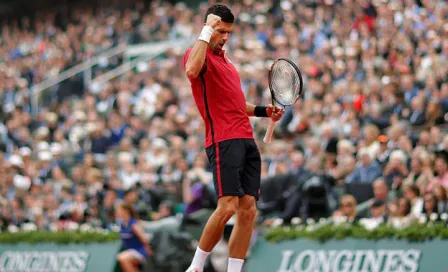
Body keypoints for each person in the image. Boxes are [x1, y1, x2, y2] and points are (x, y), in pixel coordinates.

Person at [183, 4, 284, 272]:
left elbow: (237, 105)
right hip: (222, 141)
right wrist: (206, 30)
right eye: (221, 31)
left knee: (248, 210)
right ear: (209, 27)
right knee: (226, 207)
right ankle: (195, 267)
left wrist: (264, 111)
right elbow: (191, 71)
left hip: (246, 140)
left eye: (229, 32)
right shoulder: (197, 55)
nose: (226, 36)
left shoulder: (228, 63)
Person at [116, 203, 153, 272]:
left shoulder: (133, 224)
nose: (117, 212)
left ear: (126, 211)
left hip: (140, 251)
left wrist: (149, 254)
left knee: (121, 258)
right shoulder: (122, 224)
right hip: (130, 252)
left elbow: (144, 240)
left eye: (119, 210)